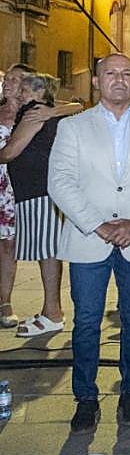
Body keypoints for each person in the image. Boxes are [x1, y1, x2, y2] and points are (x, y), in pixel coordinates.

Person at [47, 54, 130, 432]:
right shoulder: (72, 127)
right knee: (86, 321)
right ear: (96, 81)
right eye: (110, 73)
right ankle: (85, 398)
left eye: (126, 74)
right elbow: (60, 182)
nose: (119, 80)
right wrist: (98, 225)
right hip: (88, 239)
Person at [0, 73, 70, 338]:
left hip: (39, 193)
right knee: (45, 251)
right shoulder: (38, 112)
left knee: (48, 253)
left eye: (25, 89)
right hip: (34, 193)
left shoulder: (34, 113)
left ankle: (53, 313)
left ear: (40, 94)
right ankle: (50, 311)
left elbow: (10, 152)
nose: (20, 94)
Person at [0, 63, 35, 329]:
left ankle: (5, 303)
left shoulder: (31, 114)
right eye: (6, 79)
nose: (7, 83)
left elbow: (74, 106)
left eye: (15, 79)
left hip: (12, 186)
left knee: (8, 245)